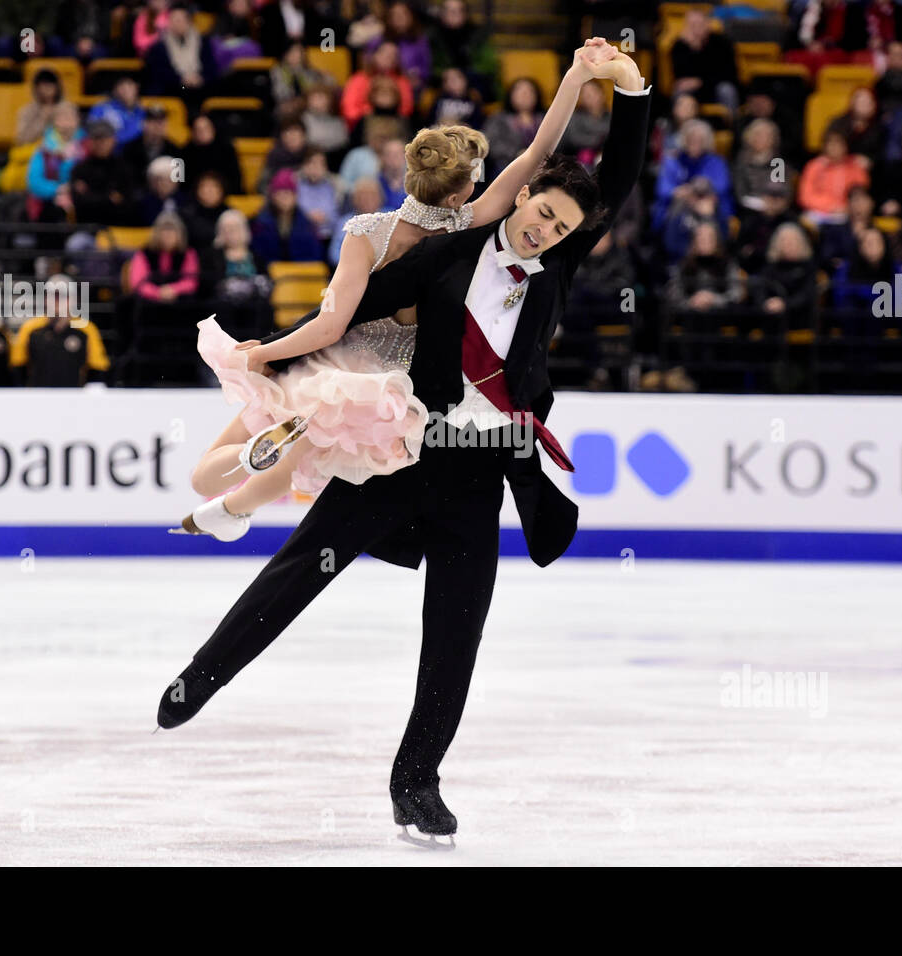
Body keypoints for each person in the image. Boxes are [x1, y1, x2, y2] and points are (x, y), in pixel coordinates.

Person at [157, 45, 651, 843]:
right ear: (521, 195)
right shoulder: (452, 249)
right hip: (403, 450)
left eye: (561, 226)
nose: (545, 227)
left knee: (457, 633)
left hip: (478, 475)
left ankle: (416, 782)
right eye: (541, 211)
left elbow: (619, 179)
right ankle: (202, 675)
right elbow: (353, 312)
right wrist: (274, 356)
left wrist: (633, 94)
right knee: (300, 568)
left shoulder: (554, 268)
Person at [179, 42, 620, 533]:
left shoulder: (367, 232)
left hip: (330, 363)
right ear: (457, 193)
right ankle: (236, 508)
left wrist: (266, 353)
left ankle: (244, 466)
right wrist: (576, 77)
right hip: (384, 386)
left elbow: (329, 326)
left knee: (206, 473)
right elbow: (539, 151)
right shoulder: (464, 226)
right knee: (293, 465)